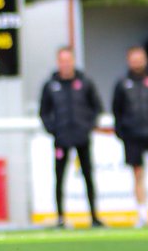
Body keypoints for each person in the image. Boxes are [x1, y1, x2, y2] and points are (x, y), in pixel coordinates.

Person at [39, 46, 104, 228]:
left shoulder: (85, 83)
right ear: (58, 62)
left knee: (88, 176)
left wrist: (87, 126)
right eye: (62, 60)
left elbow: (96, 107)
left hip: (82, 138)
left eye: (68, 60)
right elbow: (44, 112)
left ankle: (93, 216)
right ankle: (60, 217)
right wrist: (54, 130)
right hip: (61, 139)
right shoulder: (51, 85)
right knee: (59, 177)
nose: (65, 64)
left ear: (73, 61)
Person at [111, 45, 148, 227]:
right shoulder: (122, 83)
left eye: (140, 58)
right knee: (138, 174)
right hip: (133, 135)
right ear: (129, 60)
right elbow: (117, 110)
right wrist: (122, 132)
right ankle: (142, 213)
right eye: (133, 58)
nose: (137, 61)